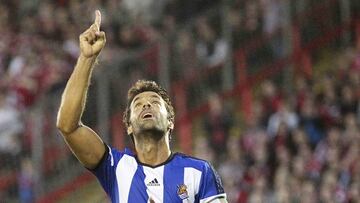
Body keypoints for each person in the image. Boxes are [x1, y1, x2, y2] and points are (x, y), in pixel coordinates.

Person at [56, 10, 227, 203]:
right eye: (137, 105)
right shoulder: (115, 167)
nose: (146, 104)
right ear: (129, 125)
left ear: (170, 122)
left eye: (155, 102)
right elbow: (67, 126)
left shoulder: (199, 172)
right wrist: (86, 59)